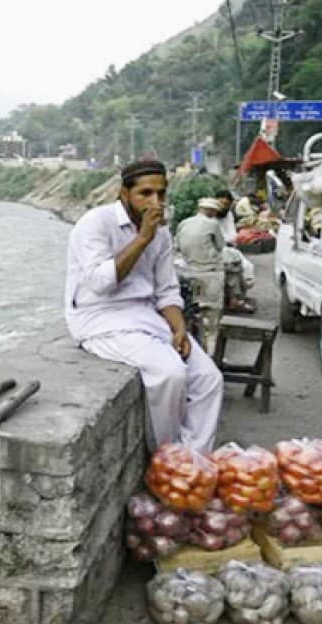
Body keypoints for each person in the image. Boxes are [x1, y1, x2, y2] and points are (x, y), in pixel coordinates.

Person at [65, 160, 223, 453]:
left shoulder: (160, 234)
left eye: (161, 193)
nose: (155, 202)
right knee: (170, 374)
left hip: (146, 318)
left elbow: (166, 290)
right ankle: (168, 455)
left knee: (208, 379)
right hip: (100, 318)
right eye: (146, 193)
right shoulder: (95, 223)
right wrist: (142, 239)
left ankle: (195, 459)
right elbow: (99, 283)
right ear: (124, 193)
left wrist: (179, 329)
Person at [175, 198, 253, 314]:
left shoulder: (184, 222)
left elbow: (177, 245)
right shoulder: (212, 224)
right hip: (207, 265)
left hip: (187, 261)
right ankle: (234, 299)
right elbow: (220, 246)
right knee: (234, 262)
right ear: (211, 211)